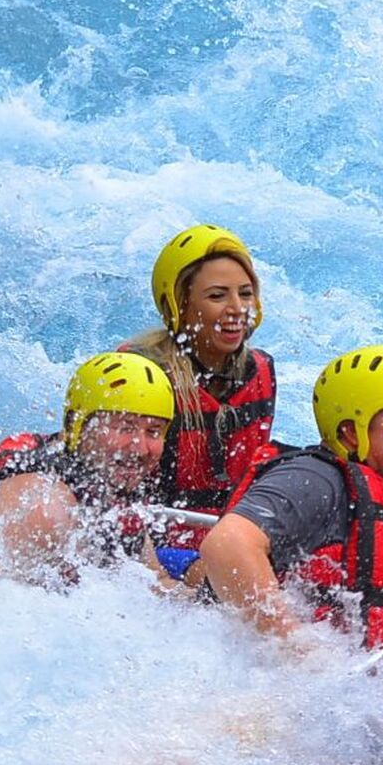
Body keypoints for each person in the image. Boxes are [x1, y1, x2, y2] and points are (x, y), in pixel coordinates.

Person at [200, 345, 383, 741]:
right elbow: (226, 545)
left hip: (367, 696)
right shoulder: (314, 480)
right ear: (350, 433)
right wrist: (297, 647)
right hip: (301, 700)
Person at [0, 352, 174, 585]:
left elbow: (155, 582)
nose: (140, 449)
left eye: (153, 432)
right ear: (76, 426)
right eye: (125, 428)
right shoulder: (41, 501)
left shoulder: (107, 479)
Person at [120, 223, 277, 533]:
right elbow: (115, 497)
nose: (237, 309)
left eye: (245, 294)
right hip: (153, 542)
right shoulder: (142, 374)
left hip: (225, 540)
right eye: (217, 296)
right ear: (180, 306)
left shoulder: (259, 370)